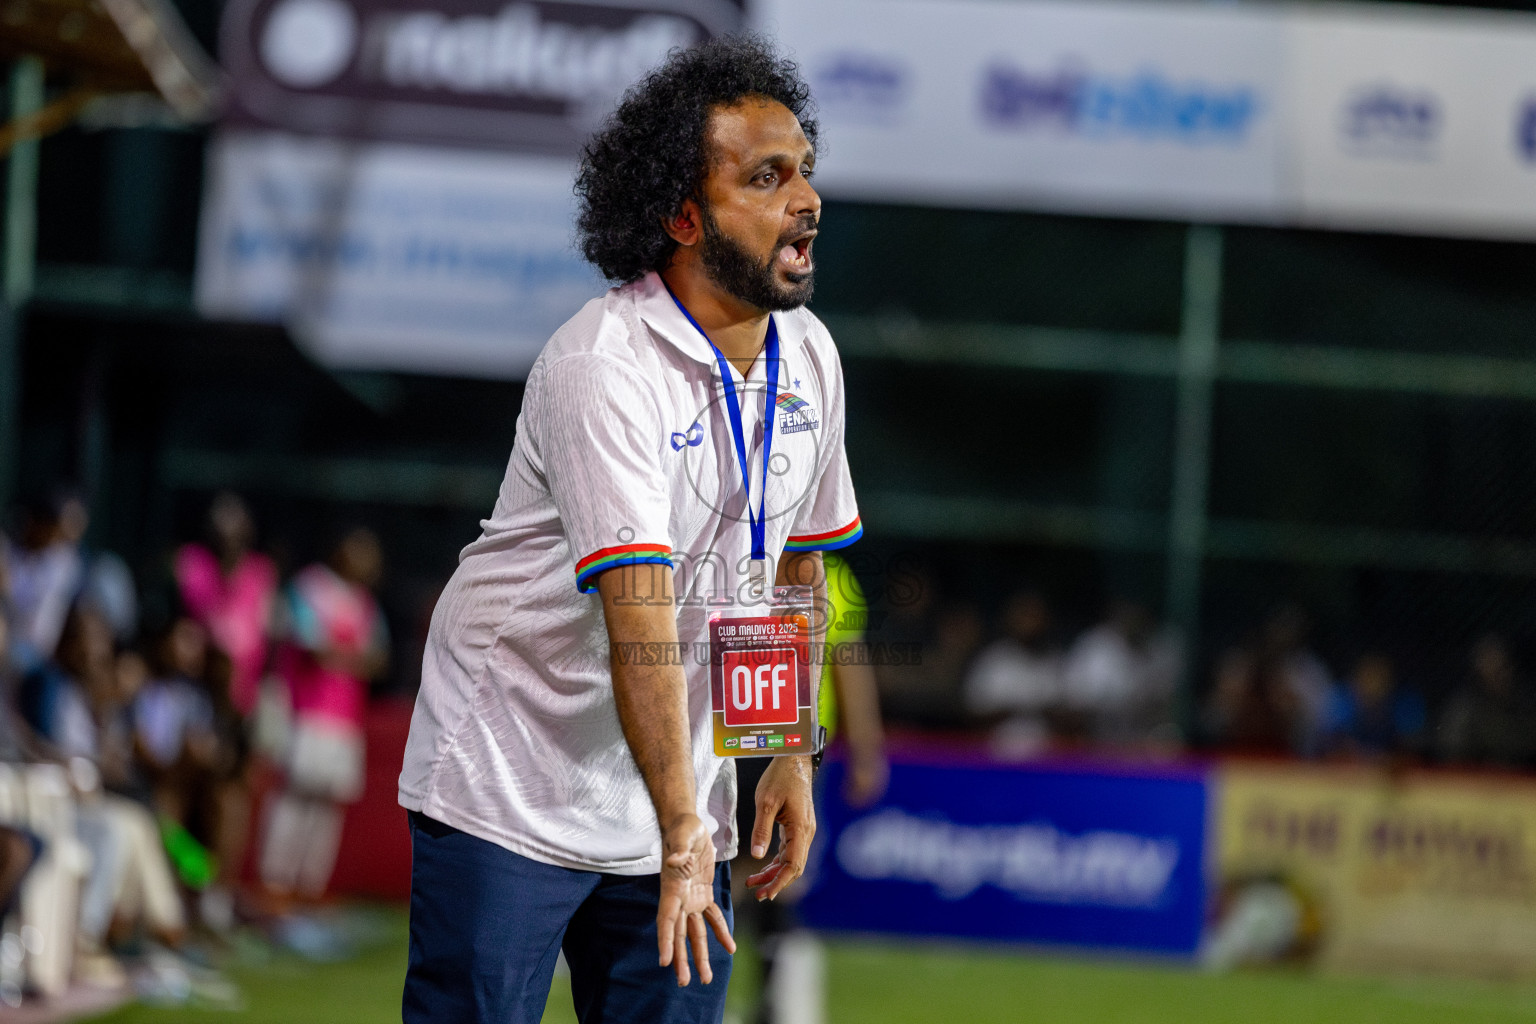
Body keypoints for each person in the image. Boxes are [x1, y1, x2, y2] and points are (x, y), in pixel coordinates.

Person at [398, 37, 860, 1024]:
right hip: (510, 775)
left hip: (669, 785)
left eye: (805, 172)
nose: (805, 200)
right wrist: (689, 832)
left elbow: (791, 570)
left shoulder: (811, 357)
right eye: (766, 177)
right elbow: (637, 614)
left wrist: (784, 752)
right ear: (684, 216)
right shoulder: (604, 365)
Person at [260, 528, 388, 906]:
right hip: (306, 711)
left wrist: (341, 655)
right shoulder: (310, 588)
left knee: (327, 808)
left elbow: (378, 659)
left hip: (345, 718)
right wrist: (351, 657)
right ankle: (275, 883)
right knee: (293, 799)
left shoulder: (365, 602)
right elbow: (310, 646)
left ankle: (309, 888)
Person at [1060, 599, 1182, 748]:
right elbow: (1073, 706)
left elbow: (1167, 704)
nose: (1134, 620)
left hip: (1143, 742)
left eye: (1139, 615)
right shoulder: (1095, 647)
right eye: (1129, 613)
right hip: (1096, 740)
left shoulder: (1162, 649)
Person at [963, 590, 1061, 756]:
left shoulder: (1055, 662)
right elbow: (972, 715)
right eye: (1024, 614)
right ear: (1010, 618)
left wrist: (1045, 711)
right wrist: (1014, 709)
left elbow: (1069, 716)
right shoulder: (992, 661)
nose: (1029, 622)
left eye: (1035, 615)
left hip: (1046, 764)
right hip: (999, 761)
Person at [1437, 634, 1536, 769]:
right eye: (1490, 668)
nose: (1498, 676)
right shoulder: (1463, 710)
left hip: (1520, 781)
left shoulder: (1525, 706)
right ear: (1478, 672)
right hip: (1476, 782)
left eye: (1502, 668)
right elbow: (1452, 754)